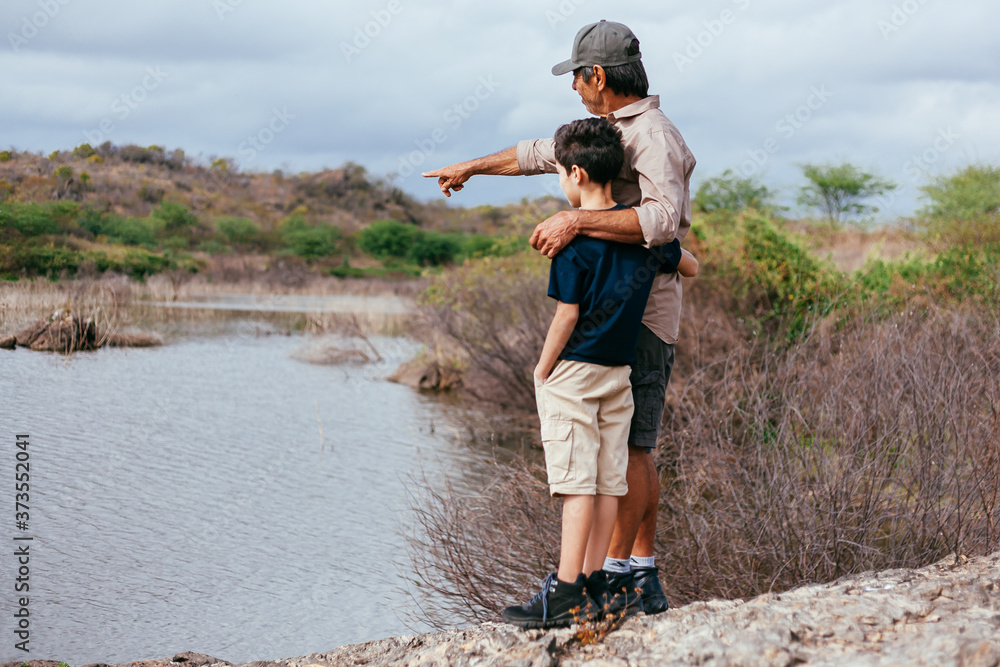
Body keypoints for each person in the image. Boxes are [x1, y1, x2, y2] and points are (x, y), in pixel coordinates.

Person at [424, 20, 696, 615]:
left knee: (632, 448)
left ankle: (628, 575)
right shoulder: (607, 132)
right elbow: (535, 154)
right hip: (615, 313)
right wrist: (470, 167)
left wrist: (576, 221)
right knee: (618, 448)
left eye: (575, 78)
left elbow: (662, 221)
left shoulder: (652, 135)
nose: (572, 89)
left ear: (596, 75)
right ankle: (614, 575)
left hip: (644, 317)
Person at [500, 117, 693, 629]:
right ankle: (596, 584)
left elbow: (565, 316)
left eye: (561, 173)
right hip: (618, 375)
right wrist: (667, 252)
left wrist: (542, 371)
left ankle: (564, 592)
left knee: (575, 486)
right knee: (609, 483)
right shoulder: (642, 235)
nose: (561, 182)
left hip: (576, 374)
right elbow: (688, 263)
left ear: (577, 174)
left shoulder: (572, 243)